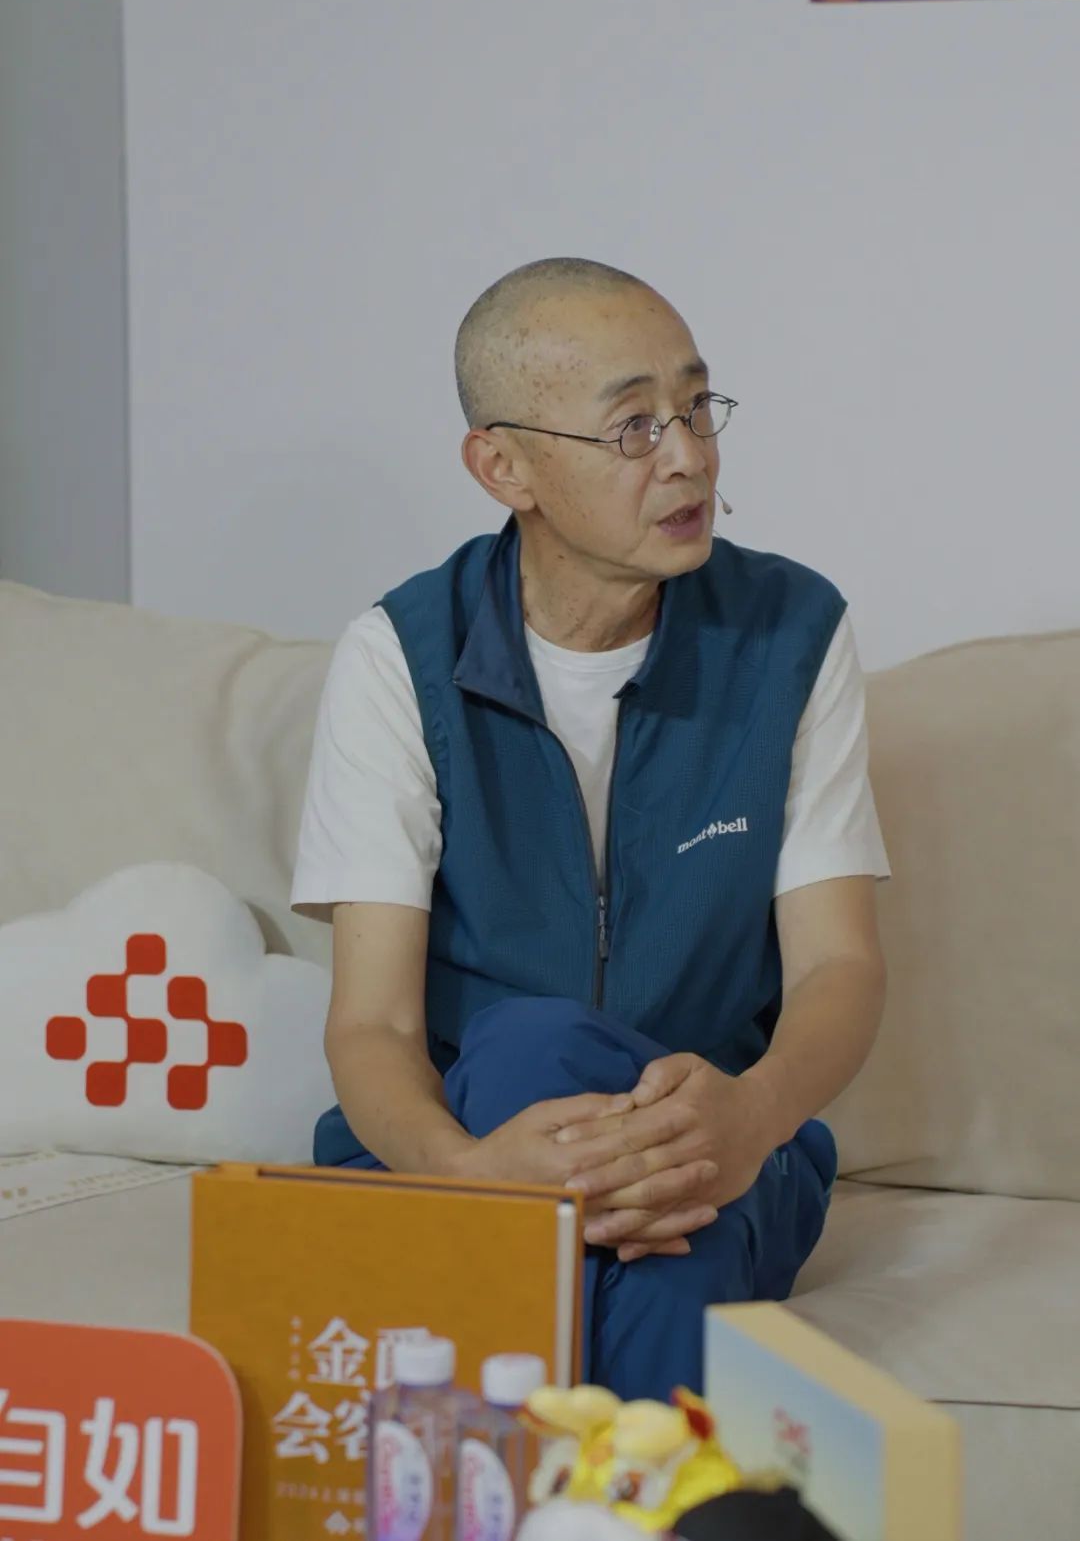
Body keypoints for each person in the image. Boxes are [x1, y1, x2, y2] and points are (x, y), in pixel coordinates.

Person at [290, 257, 890, 1400]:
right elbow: (373, 1025)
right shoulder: (400, 656)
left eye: (697, 407)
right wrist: (473, 1171)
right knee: (537, 1062)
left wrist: (749, 1117)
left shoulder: (791, 633)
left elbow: (840, 968)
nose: (688, 456)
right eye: (633, 427)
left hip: (723, 1144)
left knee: (676, 1212)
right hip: (466, 1143)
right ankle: (648, 1477)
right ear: (503, 466)